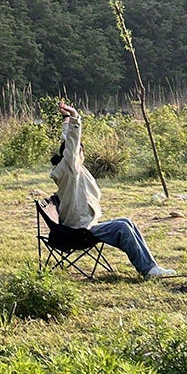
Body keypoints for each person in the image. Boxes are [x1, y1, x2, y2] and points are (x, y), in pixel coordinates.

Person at [50, 99, 175, 279]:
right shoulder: (71, 168)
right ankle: (148, 271)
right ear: (77, 153)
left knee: (126, 221)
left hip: (80, 224)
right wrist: (75, 116)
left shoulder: (66, 168)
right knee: (122, 228)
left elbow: (67, 141)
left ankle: (151, 266)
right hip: (80, 229)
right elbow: (71, 144)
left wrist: (66, 120)